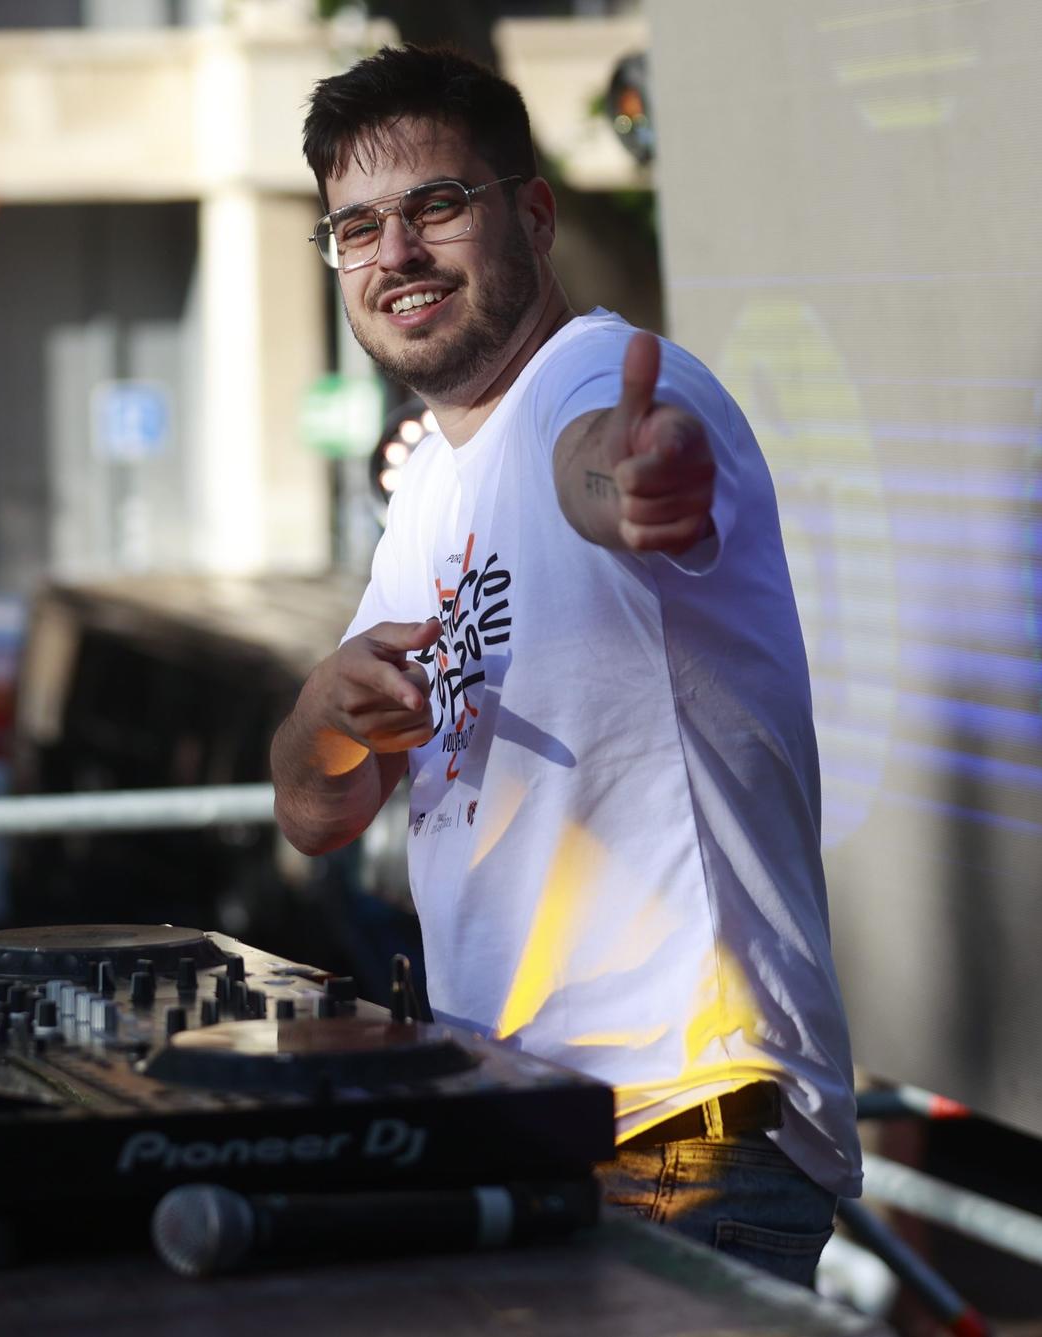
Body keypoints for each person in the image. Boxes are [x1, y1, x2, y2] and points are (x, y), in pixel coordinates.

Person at [269, 45, 861, 1287]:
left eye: (435, 205)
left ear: (531, 215)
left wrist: (643, 478)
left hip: (676, 1130)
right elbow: (315, 810)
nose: (395, 254)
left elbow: (602, 458)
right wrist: (325, 711)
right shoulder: (430, 481)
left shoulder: (585, 380)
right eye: (355, 228)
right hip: (536, 1126)